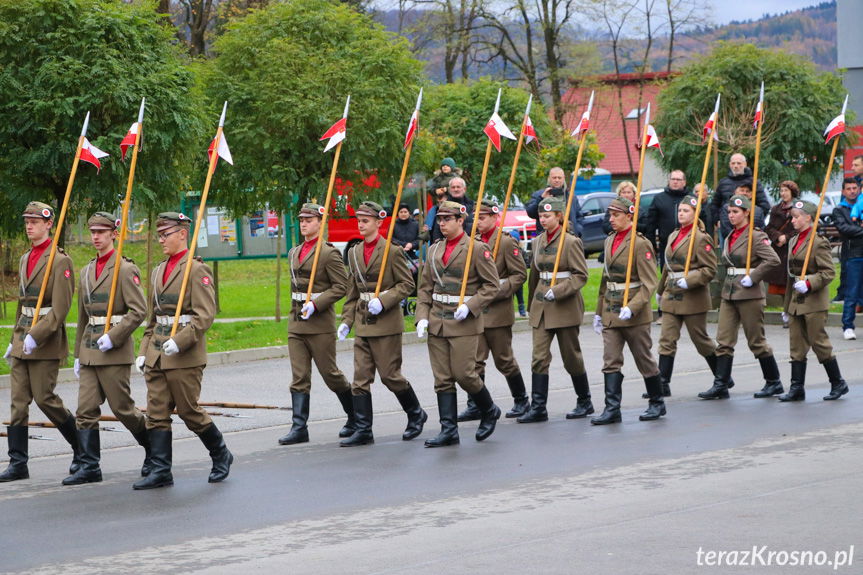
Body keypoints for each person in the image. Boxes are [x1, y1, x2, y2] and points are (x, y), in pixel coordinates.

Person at [133, 212, 232, 490]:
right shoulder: (157, 271)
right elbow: (153, 319)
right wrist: (143, 350)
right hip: (157, 353)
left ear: (182, 234)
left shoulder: (196, 269)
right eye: (159, 235)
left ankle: (221, 453)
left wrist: (181, 340)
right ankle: (161, 470)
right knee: (156, 412)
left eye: (166, 234)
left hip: (184, 354)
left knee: (189, 411)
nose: (161, 239)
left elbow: (205, 315)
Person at [64, 212, 149, 485]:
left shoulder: (125, 269)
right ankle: (90, 466)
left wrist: (115, 336)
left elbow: (139, 311)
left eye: (102, 232)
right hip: (90, 351)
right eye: (93, 232)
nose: (96, 237)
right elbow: (82, 317)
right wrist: (78, 354)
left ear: (114, 233)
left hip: (114, 350)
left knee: (123, 409)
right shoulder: (86, 271)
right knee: (85, 409)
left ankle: (155, 451)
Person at [337, 201, 427, 446]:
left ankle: (416, 413)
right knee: (360, 379)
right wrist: (346, 321)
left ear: (379, 222)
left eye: (366, 221)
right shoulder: (354, 252)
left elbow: (407, 285)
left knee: (390, 376)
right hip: (364, 322)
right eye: (359, 220)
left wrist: (385, 300)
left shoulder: (392, 251)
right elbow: (352, 291)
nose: (361, 225)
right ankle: (364, 429)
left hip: (386, 323)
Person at [0, 202, 78, 482]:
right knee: (18, 403)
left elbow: (59, 310)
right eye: (27, 221)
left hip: (46, 342)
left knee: (46, 399)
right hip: (23, 339)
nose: (29, 226)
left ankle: (81, 448)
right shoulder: (24, 259)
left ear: (49, 224)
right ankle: (18, 463)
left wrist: (36, 335)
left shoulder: (60, 261)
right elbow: (23, 305)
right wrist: (15, 340)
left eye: (35, 221)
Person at [415, 201, 501, 447]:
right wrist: (422, 316)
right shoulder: (433, 250)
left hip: (463, 321)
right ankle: (448, 430)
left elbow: (492, 286)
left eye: (447, 219)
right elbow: (425, 289)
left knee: (465, 374)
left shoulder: (475, 249)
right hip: (437, 320)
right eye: (440, 219)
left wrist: (471, 305)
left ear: (460, 220)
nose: (442, 223)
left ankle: (489, 409)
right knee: (442, 378)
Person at [279, 203, 355, 446]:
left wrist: (317, 303)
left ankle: (355, 416)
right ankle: (299, 427)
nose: (304, 223)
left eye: (309, 220)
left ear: (320, 223)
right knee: (299, 376)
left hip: (319, 323)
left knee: (330, 374)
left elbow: (341, 287)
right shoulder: (294, 252)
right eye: (302, 219)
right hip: (297, 322)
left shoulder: (328, 253)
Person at [698, 195, 783, 401]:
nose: (731, 216)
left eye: (735, 212)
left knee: (756, 341)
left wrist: (753, 277)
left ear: (746, 213)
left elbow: (773, 259)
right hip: (730, 293)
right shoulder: (730, 236)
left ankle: (774, 382)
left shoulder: (755, 236)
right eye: (729, 212)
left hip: (749, 294)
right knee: (724, 340)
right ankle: (721, 384)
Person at [591, 198, 664, 425]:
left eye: (616, 215)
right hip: (612, 310)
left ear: (629, 216)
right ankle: (612, 408)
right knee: (610, 359)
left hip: (634, 312)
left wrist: (632, 308)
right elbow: (605, 279)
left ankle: (657, 402)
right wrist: (598, 311)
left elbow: (650, 282)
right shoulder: (610, 240)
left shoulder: (640, 243)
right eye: (610, 215)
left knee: (643, 358)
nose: (611, 219)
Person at [519, 197, 593, 423]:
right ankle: (539, 407)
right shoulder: (539, 240)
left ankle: (584, 400)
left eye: (547, 216)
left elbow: (581, 275)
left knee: (571, 357)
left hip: (564, 305)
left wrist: (560, 290)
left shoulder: (571, 242)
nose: (543, 220)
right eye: (541, 216)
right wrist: (532, 304)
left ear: (559, 217)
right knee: (539, 357)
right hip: (542, 306)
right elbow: (534, 275)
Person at [457, 199, 529, 422]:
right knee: (475, 361)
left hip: (497, 311)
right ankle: (476, 404)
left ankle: (521, 400)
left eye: (484, 217)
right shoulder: (473, 242)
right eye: (476, 217)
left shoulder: (506, 242)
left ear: (495, 217)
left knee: (504, 359)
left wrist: (499, 291)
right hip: (477, 311)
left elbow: (519, 274)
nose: (478, 221)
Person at [654, 195, 727, 398]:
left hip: (692, 295)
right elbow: (667, 268)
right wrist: (660, 292)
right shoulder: (673, 235)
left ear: (695, 214)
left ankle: (722, 377)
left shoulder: (700, 238)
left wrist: (691, 279)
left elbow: (709, 269)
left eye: (686, 211)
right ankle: (663, 383)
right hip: (672, 293)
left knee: (700, 339)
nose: (681, 214)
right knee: (667, 339)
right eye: (680, 210)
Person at [780, 199, 849, 402]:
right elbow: (790, 277)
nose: (793, 220)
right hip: (795, 301)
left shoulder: (818, 242)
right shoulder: (793, 240)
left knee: (819, 342)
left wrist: (809, 282)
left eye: (796, 217)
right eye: (792, 216)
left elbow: (828, 272)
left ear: (808, 218)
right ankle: (796, 388)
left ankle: (838, 383)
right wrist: (786, 306)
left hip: (813, 301)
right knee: (796, 345)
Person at [709, 153, 772, 242]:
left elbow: (764, 205)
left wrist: (754, 220)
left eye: (739, 163)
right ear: (730, 164)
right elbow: (714, 204)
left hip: (749, 230)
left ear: (745, 164)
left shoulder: (754, 182)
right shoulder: (723, 182)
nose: (736, 166)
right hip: (726, 228)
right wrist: (718, 220)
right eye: (733, 163)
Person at [833, 177, 863, 340]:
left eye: (854, 188)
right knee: (851, 292)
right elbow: (845, 229)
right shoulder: (839, 210)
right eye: (849, 188)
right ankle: (848, 326)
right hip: (853, 255)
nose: (852, 191)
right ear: (843, 191)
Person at [763, 181, 800, 314]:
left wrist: (787, 237)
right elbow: (769, 227)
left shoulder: (798, 207)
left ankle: (792, 310)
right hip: (779, 249)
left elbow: (802, 227)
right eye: (781, 190)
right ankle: (786, 310)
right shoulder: (775, 209)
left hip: (794, 248)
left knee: (792, 281)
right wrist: (778, 237)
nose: (783, 193)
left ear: (792, 192)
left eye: (786, 190)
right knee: (780, 283)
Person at [644, 170, 692, 268]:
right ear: (669, 181)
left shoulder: (691, 199)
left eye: (678, 179)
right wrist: (652, 245)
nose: (675, 182)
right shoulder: (659, 198)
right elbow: (651, 224)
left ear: (684, 182)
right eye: (673, 179)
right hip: (666, 245)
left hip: (688, 244)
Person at [525, 167, 584, 237]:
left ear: (564, 178)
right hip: (547, 239)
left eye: (559, 178)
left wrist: (577, 231)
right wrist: (541, 198)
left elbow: (579, 217)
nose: (557, 180)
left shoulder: (571, 197)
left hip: (569, 237)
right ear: (549, 178)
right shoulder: (539, 195)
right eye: (554, 177)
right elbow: (531, 213)